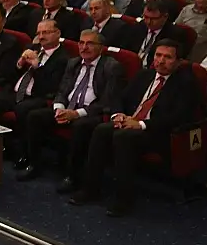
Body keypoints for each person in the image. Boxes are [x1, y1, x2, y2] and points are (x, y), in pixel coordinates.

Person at [75, 42, 199, 216]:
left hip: (159, 132)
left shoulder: (186, 84)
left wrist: (141, 124)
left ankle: (123, 199)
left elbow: (178, 117)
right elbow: (120, 97)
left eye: (167, 57)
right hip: (130, 122)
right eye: (158, 55)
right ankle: (90, 188)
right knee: (102, 130)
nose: (161, 61)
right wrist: (118, 114)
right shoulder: (144, 75)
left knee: (123, 137)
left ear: (179, 62)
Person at [17, 31, 126, 185]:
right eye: (81, 43)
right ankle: (34, 164)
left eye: (90, 44)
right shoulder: (73, 63)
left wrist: (76, 114)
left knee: (80, 126)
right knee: (35, 116)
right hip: (68, 107)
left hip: (90, 112)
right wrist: (59, 108)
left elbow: (107, 101)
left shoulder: (111, 67)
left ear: (101, 47)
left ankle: (73, 176)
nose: (84, 47)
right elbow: (62, 90)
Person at [0, 18, 70, 166]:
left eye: (46, 32)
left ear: (58, 33)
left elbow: (50, 87)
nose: (41, 37)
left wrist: (37, 66)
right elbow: (9, 75)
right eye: (39, 33)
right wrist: (20, 63)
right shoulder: (32, 47)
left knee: (22, 109)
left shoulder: (63, 58)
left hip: (38, 97)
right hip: (15, 93)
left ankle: (23, 154)